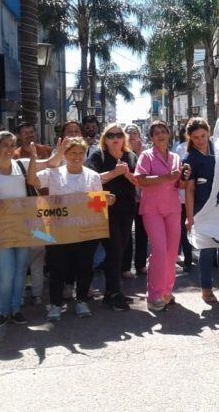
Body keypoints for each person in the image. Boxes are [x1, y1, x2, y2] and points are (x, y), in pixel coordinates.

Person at [0, 131, 65, 328]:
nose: (8, 149)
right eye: (4, 145)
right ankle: (3, 312)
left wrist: (61, 150)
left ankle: (16, 310)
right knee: (6, 274)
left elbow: (51, 162)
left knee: (21, 272)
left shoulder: (21, 165)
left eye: (11, 145)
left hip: (24, 230)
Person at [29, 137, 113, 320]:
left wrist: (107, 200)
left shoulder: (92, 176)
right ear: (65, 154)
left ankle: (81, 301)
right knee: (57, 268)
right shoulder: (53, 174)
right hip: (58, 231)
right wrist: (35, 159)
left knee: (84, 267)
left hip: (85, 231)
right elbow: (32, 180)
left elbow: (97, 203)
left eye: (81, 153)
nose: (77, 156)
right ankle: (56, 305)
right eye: (72, 153)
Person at [134, 121, 188, 312]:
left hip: (173, 208)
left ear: (169, 134)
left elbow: (178, 185)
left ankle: (166, 291)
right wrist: (167, 177)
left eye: (163, 131)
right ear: (151, 138)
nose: (160, 135)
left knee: (172, 252)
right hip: (152, 209)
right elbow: (139, 180)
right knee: (159, 250)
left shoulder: (175, 157)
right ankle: (154, 295)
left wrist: (183, 178)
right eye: (156, 133)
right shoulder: (146, 156)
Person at [85, 123, 138, 311]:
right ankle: (114, 293)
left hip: (126, 209)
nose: (115, 138)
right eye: (110, 135)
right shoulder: (98, 155)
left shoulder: (131, 156)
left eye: (118, 134)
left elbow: (139, 178)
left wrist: (133, 178)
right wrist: (115, 172)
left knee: (120, 250)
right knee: (114, 249)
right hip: (103, 210)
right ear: (104, 139)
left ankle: (111, 292)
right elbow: (90, 179)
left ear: (123, 138)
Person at [184, 118, 219, 303]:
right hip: (202, 208)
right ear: (190, 137)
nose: (200, 140)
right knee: (206, 250)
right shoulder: (190, 158)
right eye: (196, 137)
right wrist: (189, 217)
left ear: (209, 132)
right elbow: (189, 190)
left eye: (203, 135)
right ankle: (206, 288)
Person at [12, 122, 51, 305]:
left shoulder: (46, 150)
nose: (29, 135)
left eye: (31, 131)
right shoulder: (15, 155)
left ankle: (36, 294)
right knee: (23, 257)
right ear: (19, 136)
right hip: (22, 214)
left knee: (38, 254)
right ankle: (22, 294)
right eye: (25, 133)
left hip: (44, 212)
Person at [123, 125, 148, 278]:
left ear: (139, 136)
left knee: (142, 233)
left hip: (144, 199)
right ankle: (125, 266)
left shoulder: (145, 153)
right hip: (126, 198)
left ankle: (141, 264)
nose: (132, 135)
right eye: (129, 132)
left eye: (135, 132)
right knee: (126, 234)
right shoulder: (121, 152)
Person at [173, 126, 194, 272]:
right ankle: (187, 258)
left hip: (199, 196)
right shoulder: (180, 149)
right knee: (184, 228)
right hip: (183, 197)